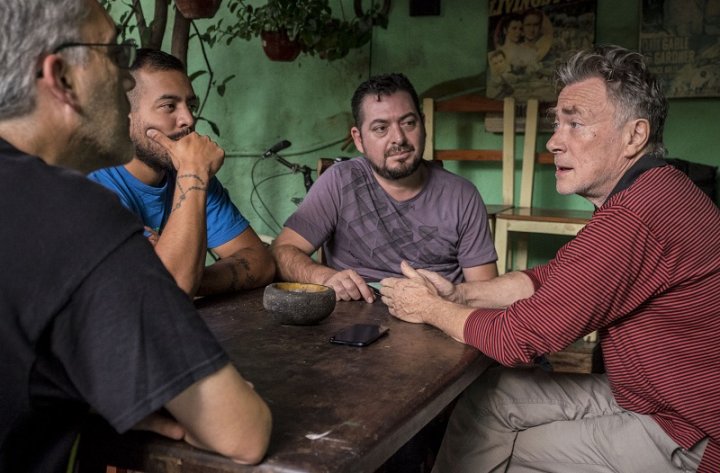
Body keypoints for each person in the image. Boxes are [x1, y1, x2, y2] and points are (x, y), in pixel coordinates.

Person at [381, 45, 719, 473]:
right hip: (651, 396)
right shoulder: (653, 189)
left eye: (575, 124)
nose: (554, 141)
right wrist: (461, 293)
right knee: (494, 395)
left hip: (691, 431)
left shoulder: (637, 216)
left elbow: (518, 339)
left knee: (500, 451)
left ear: (634, 135)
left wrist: (429, 308)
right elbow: (552, 277)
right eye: (557, 124)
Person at [0, 1, 271, 471]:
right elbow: (242, 432)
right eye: (113, 53)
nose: (125, 79)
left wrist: (87, 394)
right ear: (61, 77)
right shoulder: (75, 212)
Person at [271, 73, 498, 303]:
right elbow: (282, 251)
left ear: (424, 124)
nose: (398, 138)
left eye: (408, 123)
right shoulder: (339, 182)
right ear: (358, 139)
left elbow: (485, 295)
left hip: (437, 322)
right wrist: (323, 277)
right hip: (353, 324)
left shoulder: (462, 195)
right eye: (381, 128)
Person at [89, 48, 274, 298]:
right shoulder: (92, 185)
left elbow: (261, 262)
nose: (188, 119)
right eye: (168, 106)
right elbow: (170, 288)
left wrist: (189, 272)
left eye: (190, 104)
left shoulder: (187, 171)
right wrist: (177, 273)